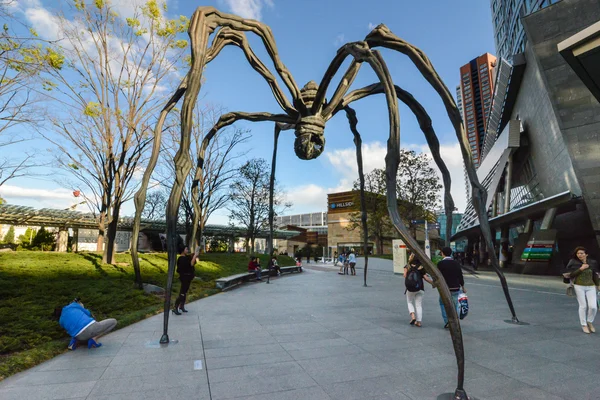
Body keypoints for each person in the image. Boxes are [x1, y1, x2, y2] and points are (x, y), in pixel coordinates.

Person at [564, 246, 599, 334]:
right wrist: (581, 269)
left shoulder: (592, 263)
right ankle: (584, 324)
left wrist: (598, 284)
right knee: (583, 306)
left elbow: (594, 274)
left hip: (591, 286)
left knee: (593, 307)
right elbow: (570, 274)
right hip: (579, 286)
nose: (580, 255)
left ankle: (589, 321)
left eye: (582, 253)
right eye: (578, 253)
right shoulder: (573, 262)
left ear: (586, 254)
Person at [437, 247, 466, 328]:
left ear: (442, 253)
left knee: (443, 304)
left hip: (444, 288)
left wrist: (434, 284)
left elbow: (438, 276)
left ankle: (447, 321)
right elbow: (460, 276)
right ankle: (455, 321)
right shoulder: (456, 263)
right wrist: (463, 286)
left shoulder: (440, 264)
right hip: (455, 287)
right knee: (455, 304)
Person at [404, 254, 433, 327]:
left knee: (409, 302)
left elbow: (405, 275)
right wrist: (433, 283)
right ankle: (419, 322)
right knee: (418, 305)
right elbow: (426, 278)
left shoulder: (407, 266)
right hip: (420, 288)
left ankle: (413, 316)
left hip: (410, 288)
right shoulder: (421, 267)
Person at [173, 245, 200, 315]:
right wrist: (195, 255)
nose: (187, 250)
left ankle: (182, 306)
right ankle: (175, 307)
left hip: (188, 277)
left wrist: (196, 253)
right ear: (183, 250)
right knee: (182, 292)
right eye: (186, 249)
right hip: (184, 277)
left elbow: (193, 261)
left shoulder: (186, 257)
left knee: (184, 292)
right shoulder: (181, 259)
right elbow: (191, 264)